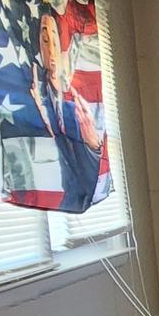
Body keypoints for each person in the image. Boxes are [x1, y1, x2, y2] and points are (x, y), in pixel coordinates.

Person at [25, 12, 106, 212]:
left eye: (55, 41)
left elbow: (87, 174)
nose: (51, 49)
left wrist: (93, 145)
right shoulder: (37, 100)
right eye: (45, 41)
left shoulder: (74, 108)